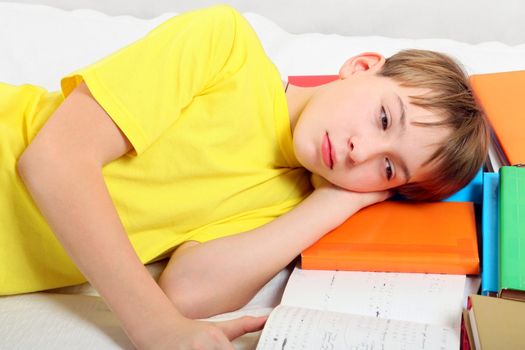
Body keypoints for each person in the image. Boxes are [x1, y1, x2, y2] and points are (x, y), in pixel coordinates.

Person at [0, 4, 488, 349]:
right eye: (384, 119)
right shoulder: (226, 46)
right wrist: (155, 328)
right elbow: (54, 160)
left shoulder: (289, 208)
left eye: (388, 168)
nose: (362, 150)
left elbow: (187, 292)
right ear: (361, 67)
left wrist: (337, 203)